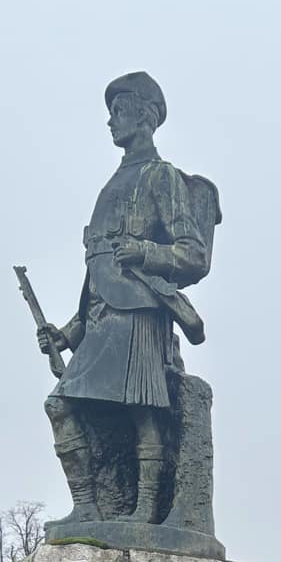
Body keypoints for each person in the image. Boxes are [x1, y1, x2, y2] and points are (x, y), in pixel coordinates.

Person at [33, 72, 221, 535]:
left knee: (144, 412)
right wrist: (69, 332)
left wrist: (146, 252)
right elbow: (98, 273)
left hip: (139, 312)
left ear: (145, 115)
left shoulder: (162, 177)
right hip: (101, 318)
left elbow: (193, 255)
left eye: (119, 110)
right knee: (60, 405)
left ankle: (143, 515)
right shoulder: (114, 183)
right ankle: (88, 509)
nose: (111, 120)